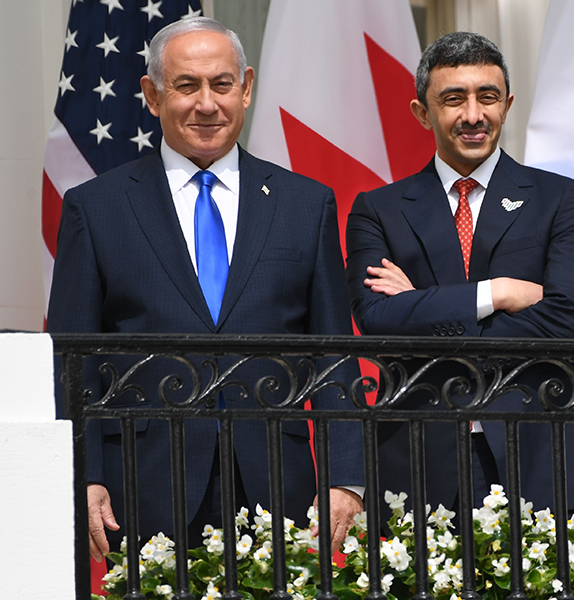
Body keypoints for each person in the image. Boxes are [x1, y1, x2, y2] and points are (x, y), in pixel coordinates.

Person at [47, 17, 362, 560]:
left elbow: (333, 352)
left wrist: (346, 476)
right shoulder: (95, 208)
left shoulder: (306, 205)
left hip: (276, 482)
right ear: (152, 94)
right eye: (187, 85)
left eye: (221, 84)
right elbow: (75, 359)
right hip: (141, 485)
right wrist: (85, 471)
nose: (207, 104)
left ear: (245, 88)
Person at [345, 31, 574, 518]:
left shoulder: (560, 198)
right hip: (418, 457)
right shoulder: (378, 210)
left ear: (506, 104)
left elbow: (568, 321)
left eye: (487, 97)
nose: (473, 116)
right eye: (453, 99)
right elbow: (376, 319)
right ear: (423, 112)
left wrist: (421, 305)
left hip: (542, 451)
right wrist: (496, 292)